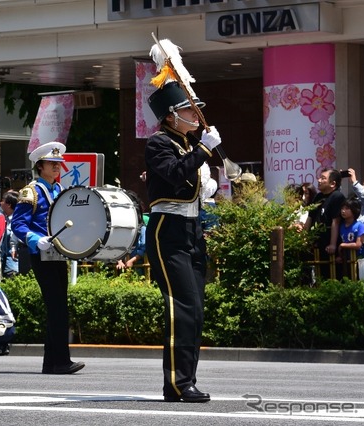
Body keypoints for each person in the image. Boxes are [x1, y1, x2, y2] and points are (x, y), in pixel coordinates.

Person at [143, 80, 220, 402]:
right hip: (168, 230)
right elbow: (175, 174)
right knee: (182, 307)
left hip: (191, 229)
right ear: (172, 116)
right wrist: (205, 149)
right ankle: (177, 383)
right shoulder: (158, 143)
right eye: (189, 109)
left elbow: (195, 189)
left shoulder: (189, 145)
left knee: (196, 309)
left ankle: (184, 381)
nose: (196, 114)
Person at [11, 141, 85, 375]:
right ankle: (61, 360)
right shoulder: (30, 192)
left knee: (58, 306)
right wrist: (34, 239)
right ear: (40, 166)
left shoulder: (57, 190)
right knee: (56, 306)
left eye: (58, 164)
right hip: (42, 254)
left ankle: (52, 362)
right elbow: (18, 225)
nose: (57, 167)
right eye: (52, 164)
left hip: (58, 253)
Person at [303, 168, 346, 280]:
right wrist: (304, 239)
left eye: (323, 178)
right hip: (315, 242)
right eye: (319, 177)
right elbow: (310, 217)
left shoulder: (337, 197)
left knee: (331, 275)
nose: (319, 180)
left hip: (328, 243)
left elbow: (335, 221)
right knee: (316, 275)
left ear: (333, 183)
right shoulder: (318, 196)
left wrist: (332, 244)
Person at [337, 198, 364, 277]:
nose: (343, 211)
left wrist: (342, 245)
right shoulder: (341, 226)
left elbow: (358, 245)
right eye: (342, 208)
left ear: (354, 210)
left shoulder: (360, 226)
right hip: (346, 260)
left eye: (347, 208)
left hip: (359, 261)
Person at [0, 191, 20, 279]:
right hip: (5, 262)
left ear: (8, 205)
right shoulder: (5, 219)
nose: (1, 203)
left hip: (13, 264)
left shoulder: (17, 220)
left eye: (3, 201)